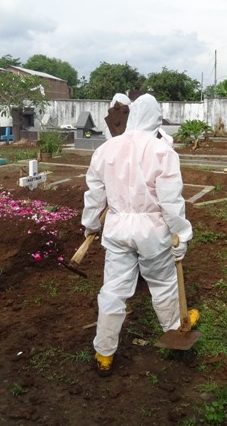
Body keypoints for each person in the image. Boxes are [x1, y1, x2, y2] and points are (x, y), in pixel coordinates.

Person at [82, 94, 199, 376]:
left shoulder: (106, 149)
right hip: (152, 231)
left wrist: (90, 225)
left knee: (112, 291)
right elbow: (170, 200)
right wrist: (181, 233)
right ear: (156, 119)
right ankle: (173, 329)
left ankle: (104, 352)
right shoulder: (162, 151)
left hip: (118, 227)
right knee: (162, 282)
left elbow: (95, 195)